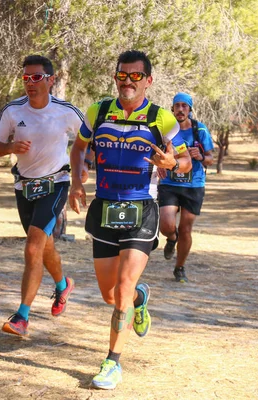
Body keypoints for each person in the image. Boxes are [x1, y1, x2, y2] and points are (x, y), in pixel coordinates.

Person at [68, 50, 192, 390]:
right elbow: (79, 148)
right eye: (122, 75)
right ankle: (139, 299)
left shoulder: (162, 120)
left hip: (142, 210)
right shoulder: (98, 112)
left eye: (135, 76)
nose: (127, 81)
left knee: (121, 287)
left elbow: (186, 163)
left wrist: (170, 164)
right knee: (112, 295)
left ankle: (112, 362)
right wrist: (77, 182)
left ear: (148, 81)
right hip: (105, 208)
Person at [0, 55, 83, 336]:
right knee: (45, 245)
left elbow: (88, 139)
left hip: (56, 183)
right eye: (26, 78)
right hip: (25, 186)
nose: (30, 83)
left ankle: (22, 316)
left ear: (51, 80)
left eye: (36, 77)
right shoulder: (13, 111)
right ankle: (64, 284)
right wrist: (10, 148)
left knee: (32, 247)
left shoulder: (66, 111)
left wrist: (80, 174)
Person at [158, 92, 214, 283]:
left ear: (189, 109)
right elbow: (155, 151)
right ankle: (171, 238)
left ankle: (180, 267)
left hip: (193, 185)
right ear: (172, 108)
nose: (180, 109)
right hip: (170, 183)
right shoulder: (165, 129)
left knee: (186, 229)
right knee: (165, 224)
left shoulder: (200, 130)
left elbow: (210, 159)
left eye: (184, 106)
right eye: (177, 106)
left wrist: (199, 156)